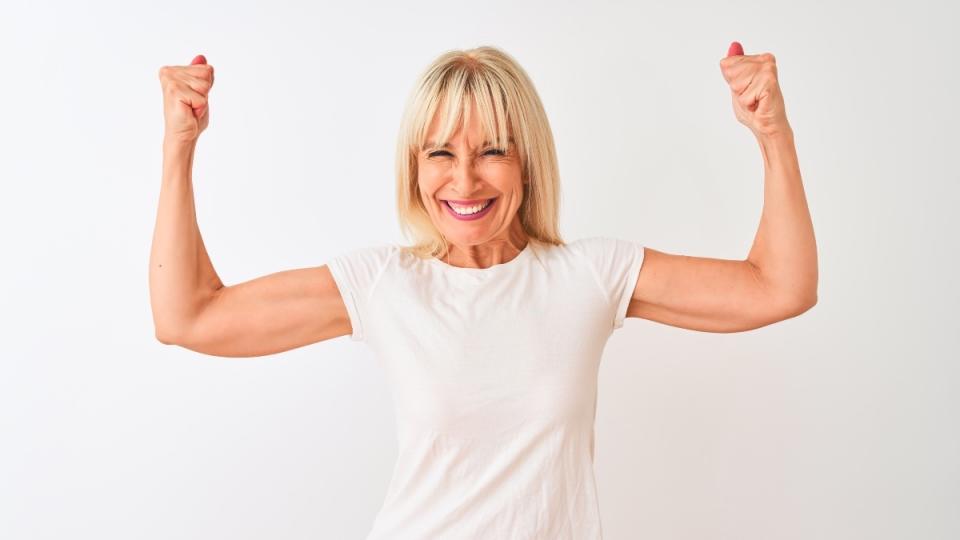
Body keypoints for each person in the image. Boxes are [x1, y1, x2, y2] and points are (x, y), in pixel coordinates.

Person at [150, 43, 817, 539]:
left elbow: (778, 287)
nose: (464, 180)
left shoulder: (589, 276)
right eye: (440, 152)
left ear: (528, 161)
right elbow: (189, 315)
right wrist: (180, 145)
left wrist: (773, 135)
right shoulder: (385, 285)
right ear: (414, 167)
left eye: (492, 150)